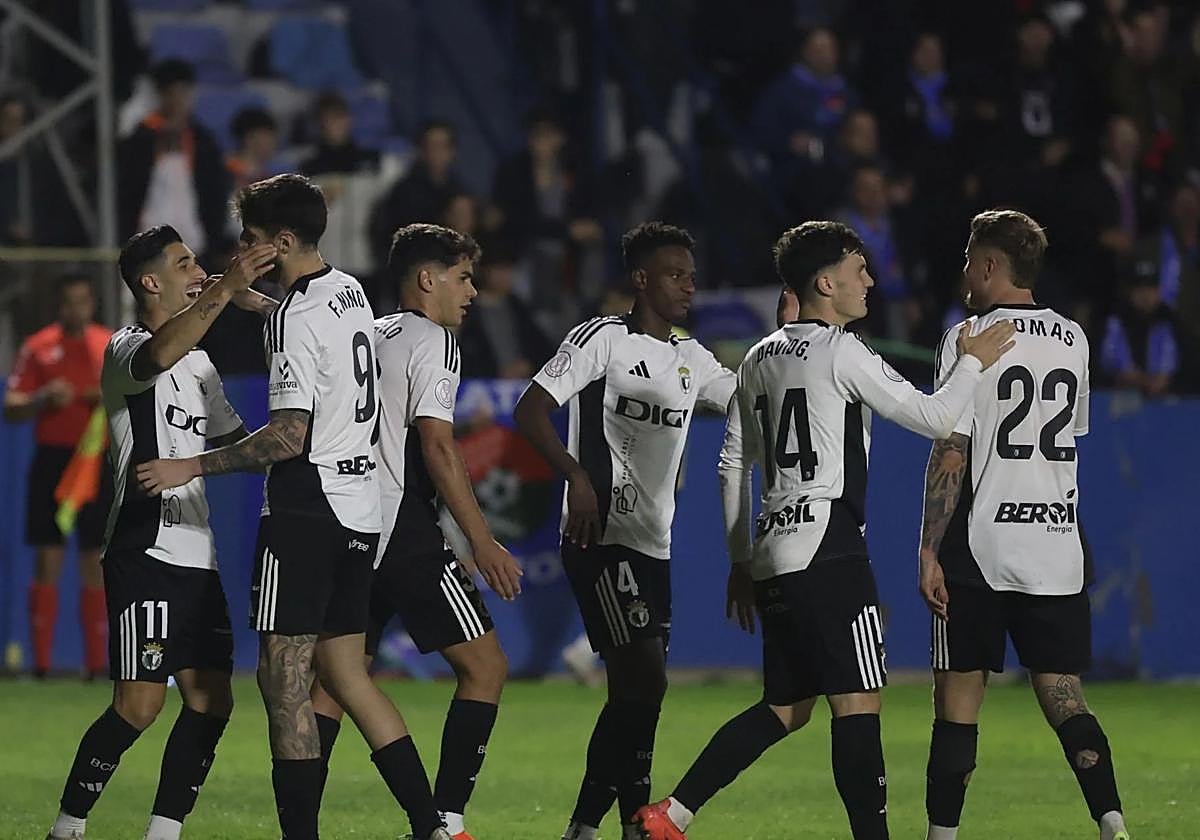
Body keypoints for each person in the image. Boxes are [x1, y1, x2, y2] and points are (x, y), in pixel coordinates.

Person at [635, 220, 1016, 840]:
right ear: (824, 282)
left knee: (786, 708)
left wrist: (740, 561)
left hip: (775, 549)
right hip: (832, 547)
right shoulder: (843, 349)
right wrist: (972, 362)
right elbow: (936, 415)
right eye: (858, 270)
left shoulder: (758, 357)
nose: (869, 280)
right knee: (858, 703)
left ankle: (670, 815)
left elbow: (733, 461)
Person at [133, 175, 450, 840]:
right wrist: (240, 296)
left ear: (280, 241)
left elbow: (287, 435)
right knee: (349, 677)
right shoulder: (347, 289)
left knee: (284, 684)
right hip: (361, 513)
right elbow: (302, 321)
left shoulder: (297, 317)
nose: (239, 248)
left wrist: (190, 465)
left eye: (249, 239)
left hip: (308, 513)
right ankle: (434, 828)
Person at [44, 224, 277, 840]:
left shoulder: (202, 364)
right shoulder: (126, 348)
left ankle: (164, 832)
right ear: (151, 281)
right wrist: (226, 287)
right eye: (184, 263)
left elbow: (235, 445)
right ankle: (67, 827)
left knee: (211, 700)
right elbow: (160, 355)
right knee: (140, 705)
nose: (196, 268)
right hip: (144, 550)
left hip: (198, 555)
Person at [513, 222, 737, 840]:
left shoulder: (692, 358)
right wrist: (576, 477)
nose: (689, 285)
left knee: (637, 696)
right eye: (675, 274)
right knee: (646, 680)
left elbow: (748, 398)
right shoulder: (602, 340)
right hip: (599, 538)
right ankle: (594, 827)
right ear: (641, 279)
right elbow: (530, 411)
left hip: (652, 545)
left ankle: (615, 828)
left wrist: (792, 338)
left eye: (692, 275)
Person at [917, 210, 1130, 840]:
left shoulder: (968, 337)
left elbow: (951, 450)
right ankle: (1112, 823)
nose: (963, 272)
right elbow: (1067, 442)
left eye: (968, 260)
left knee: (958, 703)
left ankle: (941, 837)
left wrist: (929, 549)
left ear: (989, 266)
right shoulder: (1074, 338)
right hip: (1055, 544)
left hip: (979, 545)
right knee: (1065, 695)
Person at [310, 223, 523, 840]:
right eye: (462, 278)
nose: (473, 292)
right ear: (427, 279)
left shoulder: (370, 332)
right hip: (401, 527)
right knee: (486, 667)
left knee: (335, 684)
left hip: (348, 521)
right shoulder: (433, 340)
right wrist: (481, 539)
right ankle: (446, 821)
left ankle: (301, 824)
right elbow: (436, 444)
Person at [5, 275, 113, 679]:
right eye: (69, 302)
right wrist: (42, 398)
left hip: (94, 460)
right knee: (48, 556)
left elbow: (135, 394)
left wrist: (107, 398)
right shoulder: (38, 348)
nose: (76, 310)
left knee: (95, 558)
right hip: (52, 461)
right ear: (59, 305)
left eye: (83, 301)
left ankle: (97, 665)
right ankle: (43, 666)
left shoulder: (109, 345)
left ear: (92, 304)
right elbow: (12, 405)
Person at [117, 60, 228, 254]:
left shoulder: (203, 141)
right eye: (172, 93)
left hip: (194, 238)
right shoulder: (141, 138)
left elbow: (214, 192)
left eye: (183, 93)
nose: (178, 100)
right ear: (161, 95)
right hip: (147, 234)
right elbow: (128, 189)